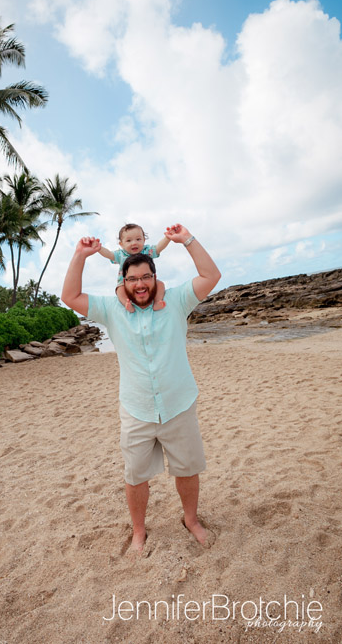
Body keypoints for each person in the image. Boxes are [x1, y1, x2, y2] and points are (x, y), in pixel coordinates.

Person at [61, 223, 221, 556]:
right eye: (133, 279)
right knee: (135, 476)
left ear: (155, 277)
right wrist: (80, 256)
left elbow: (211, 276)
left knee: (187, 469)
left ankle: (191, 519)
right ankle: (138, 530)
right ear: (123, 281)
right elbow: (70, 297)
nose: (140, 284)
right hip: (136, 409)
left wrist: (187, 240)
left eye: (146, 277)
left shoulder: (175, 301)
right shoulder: (112, 309)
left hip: (178, 404)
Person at [97, 223, 170, 312]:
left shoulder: (147, 251)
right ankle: (126, 303)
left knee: (160, 284)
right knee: (119, 290)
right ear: (121, 244)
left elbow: (158, 248)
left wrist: (168, 238)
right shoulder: (121, 254)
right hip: (124, 283)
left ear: (144, 240)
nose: (134, 243)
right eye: (129, 241)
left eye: (138, 239)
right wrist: (99, 248)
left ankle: (158, 301)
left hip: (147, 282)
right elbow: (109, 254)